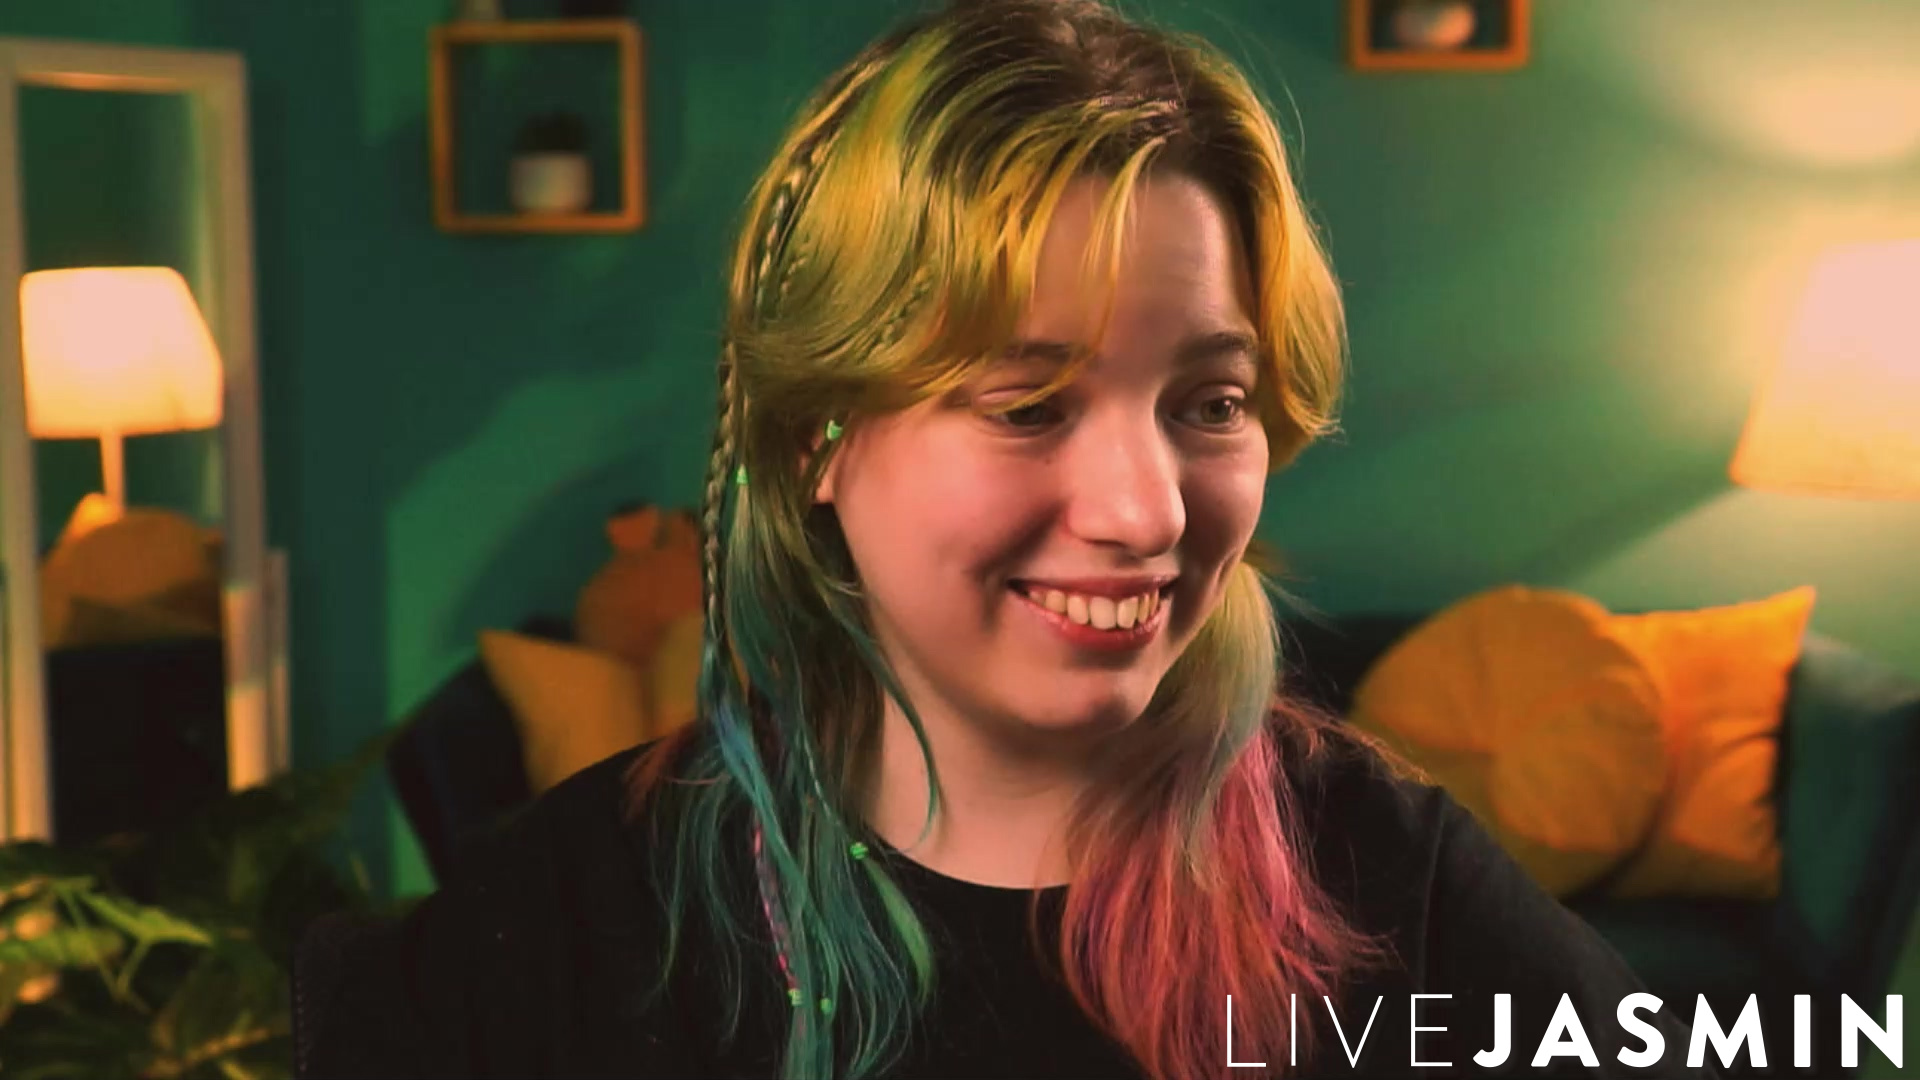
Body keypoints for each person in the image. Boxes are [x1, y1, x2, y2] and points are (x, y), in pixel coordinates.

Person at [297, 1, 1718, 1077]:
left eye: (1210, 403)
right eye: (1030, 406)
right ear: (816, 441)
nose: (1149, 513)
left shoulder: (1385, 873)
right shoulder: (584, 910)